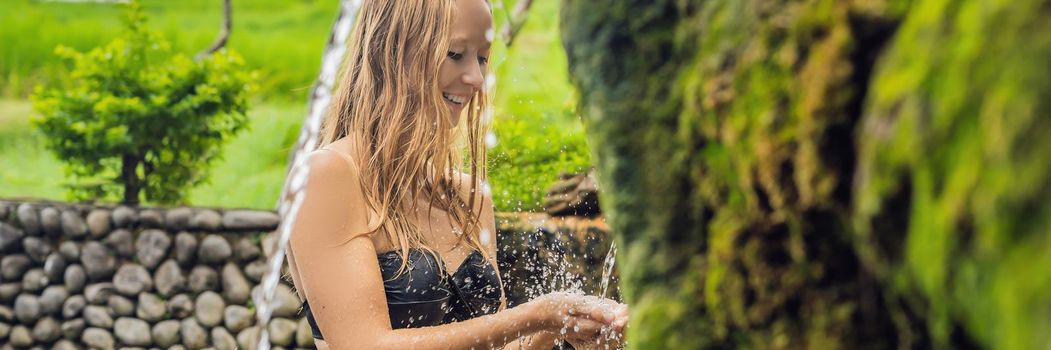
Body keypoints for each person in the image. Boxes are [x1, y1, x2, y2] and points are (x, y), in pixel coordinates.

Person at [284, 0, 629, 349]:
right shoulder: (327, 176)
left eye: (482, 58)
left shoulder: (468, 196)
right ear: (394, 51)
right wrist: (536, 315)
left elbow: (495, 344)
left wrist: (561, 328)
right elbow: (364, 344)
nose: (476, 79)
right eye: (455, 54)